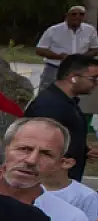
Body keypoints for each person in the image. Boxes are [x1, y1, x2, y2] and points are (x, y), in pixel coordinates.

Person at [0, 117, 91, 221]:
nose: (31, 160)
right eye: (24, 149)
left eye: (46, 154)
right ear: (3, 150)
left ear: (59, 164)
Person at [25, 52, 98, 181]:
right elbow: (42, 145)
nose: (96, 83)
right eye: (93, 78)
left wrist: (83, 150)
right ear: (73, 78)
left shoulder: (67, 101)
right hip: (51, 182)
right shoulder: (50, 105)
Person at [35, 5, 97, 91]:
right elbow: (39, 50)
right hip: (54, 69)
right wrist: (59, 56)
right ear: (67, 15)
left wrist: (81, 58)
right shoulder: (53, 30)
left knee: (73, 96)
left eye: (81, 14)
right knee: (47, 94)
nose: (77, 16)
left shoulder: (90, 30)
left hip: (78, 70)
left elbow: (95, 49)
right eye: (74, 14)